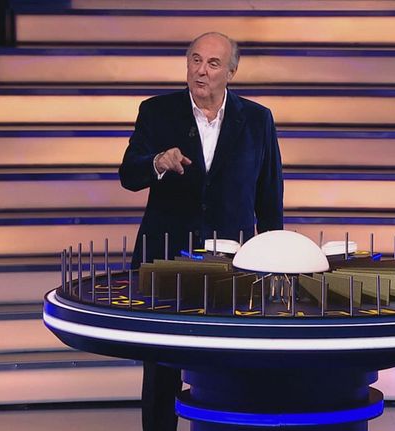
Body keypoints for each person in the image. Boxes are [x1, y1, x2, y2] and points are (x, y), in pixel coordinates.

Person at [118, 32, 284, 431]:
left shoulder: (257, 119)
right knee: (161, 369)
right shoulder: (157, 111)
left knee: (229, 363)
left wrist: (274, 262)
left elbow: (269, 197)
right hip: (167, 260)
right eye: (195, 60)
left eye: (212, 63)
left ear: (231, 72)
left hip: (233, 264)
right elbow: (128, 174)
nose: (201, 71)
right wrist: (157, 161)